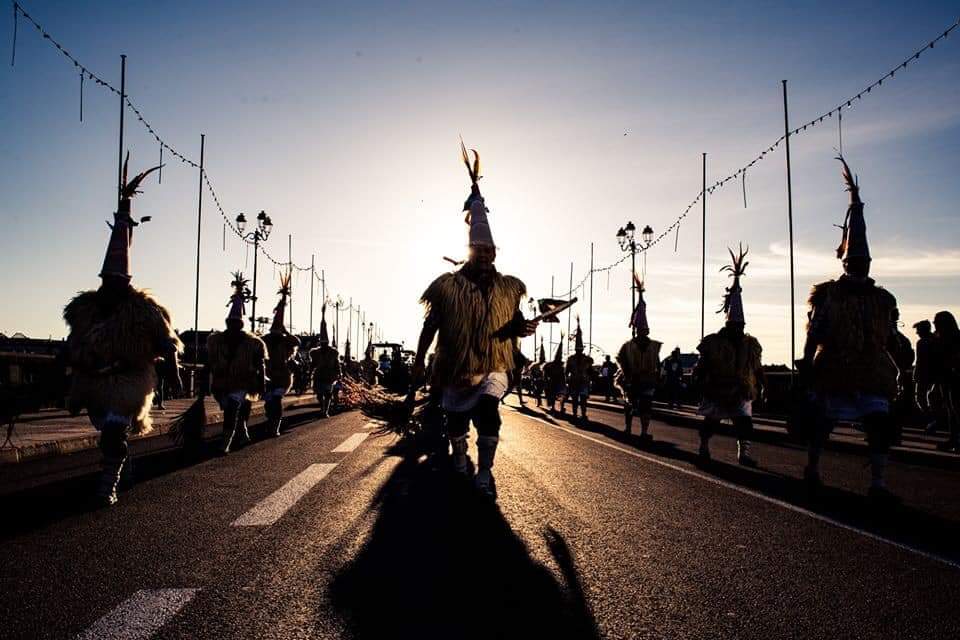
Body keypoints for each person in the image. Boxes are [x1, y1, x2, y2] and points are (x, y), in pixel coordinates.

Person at [408, 143, 537, 499]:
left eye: (490, 251)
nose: (486, 256)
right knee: (456, 423)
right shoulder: (448, 287)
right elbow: (429, 326)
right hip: (455, 368)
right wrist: (420, 362)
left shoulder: (509, 288)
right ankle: (460, 456)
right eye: (480, 251)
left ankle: (485, 472)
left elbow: (513, 323)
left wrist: (522, 328)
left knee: (488, 410)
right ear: (471, 251)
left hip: (492, 365)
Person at [64, 156, 182, 506]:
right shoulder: (85, 308)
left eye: (114, 280)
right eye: (105, 279)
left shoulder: (143, 310)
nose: (108, 284)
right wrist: (66, 365)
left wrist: (173, 372)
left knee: (112, 433)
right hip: (92, 381)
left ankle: (107, 485)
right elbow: (73, 342)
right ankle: (121, 462)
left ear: (125, 281)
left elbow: (167, 343)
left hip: (128, 383)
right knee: (106, 429)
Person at [801, 157, 906, 503]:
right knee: (821, 425)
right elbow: (814, 332)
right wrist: (806, 366)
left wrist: (900, 355)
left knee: (879, 427)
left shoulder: (882, 299)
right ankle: (813, 468)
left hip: (872, 374)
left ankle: (877, 483)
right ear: (846, 263)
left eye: (865, 262)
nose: (860, 266)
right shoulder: (829, 295)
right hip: (834, 370)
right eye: (855, 262)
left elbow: (889, 336)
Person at [694, 244, 764, 468]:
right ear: (729, 323)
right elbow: (702, 364)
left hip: (741, 390)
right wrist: (700, 378)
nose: (739, 327)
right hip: (718, 389)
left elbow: (757, 367)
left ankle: (743, 454)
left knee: (745, 423)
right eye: (736, 324)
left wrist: (761, 385)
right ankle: (704, 447)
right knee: (711, 423)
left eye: (741, 324)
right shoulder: (714, 342)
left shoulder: (751, 344)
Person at [207, 273, 267, 454]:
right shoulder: (216, 341)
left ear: (240, 324)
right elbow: (210, 362)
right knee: (232, 410)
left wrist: (262, 381)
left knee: (232, 409)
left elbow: (260, 363)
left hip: (242, 382)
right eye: (230, 322)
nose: (233, 325)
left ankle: (225, 443)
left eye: (236, 323)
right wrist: (205, 384)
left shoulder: (253, 343)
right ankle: (242, 430)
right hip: (221, 384)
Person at [616, 278, 661, 440]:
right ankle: (628, 427)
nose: (643, 332)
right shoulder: (628, 346)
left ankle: (643, 431)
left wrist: (657, 376)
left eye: (645, 330)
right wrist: (628, 376)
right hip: (632, 380)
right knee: (630, 405)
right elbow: (621, 360)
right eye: (640, 330)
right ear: (637, 331)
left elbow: (658, 363)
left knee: (646, 406)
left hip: (647, 380)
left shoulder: (654, 346)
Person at [261, 271, 300, 437]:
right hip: (267, 375)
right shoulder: (263, 340)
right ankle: (271, 421)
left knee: (276, 401)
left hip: (283, 376)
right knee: (269, 404)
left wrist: (285, 331)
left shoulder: (286, 341)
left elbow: (297, 342)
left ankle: (274, 427)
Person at [933, 311, 960, 452]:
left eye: (936, 321)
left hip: (953, 377)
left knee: (955, 409)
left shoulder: (952, 338)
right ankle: (954, 439)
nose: (934, 324)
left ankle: (955, 439)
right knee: (951, 410)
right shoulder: (943, 338)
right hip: (946, 377)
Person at [310, 304, 341, 417]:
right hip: (318, 376)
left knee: (328, 394)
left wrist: (339, 374)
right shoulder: (315, 353)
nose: (324, 345)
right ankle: (322, 406)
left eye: (325, 343)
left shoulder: (333, 353)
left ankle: (325, 411)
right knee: (319, 395)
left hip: (329, 376)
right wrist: (310, 372)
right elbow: (313, 364)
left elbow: (337, 365)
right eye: (322, 343)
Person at [913, 320, 935, 424]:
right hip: (933, 375)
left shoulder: (922, 343)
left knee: (921, 398)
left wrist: (916, 374)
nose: (917, 333)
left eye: (918, 330)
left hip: (924, 375)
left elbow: (920, 361)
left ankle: (930, 418)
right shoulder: (935, 340)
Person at [543, 336, 567, 414]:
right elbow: (546, 373)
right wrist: (546, 380)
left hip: (560, 382)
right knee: (552, 395)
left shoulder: (562, 365)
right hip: (552, 382)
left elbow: (563, 374)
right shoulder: (549, 365)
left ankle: (561, 407)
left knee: (562, 395)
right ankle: (553, 407)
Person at [529, 340, 546, 407]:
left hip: (543, 381)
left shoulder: (546, 365)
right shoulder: (534, 365)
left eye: (543, 358)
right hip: (537, 381)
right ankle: (539, 402)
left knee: (539, 392)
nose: (542, 359)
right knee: (537, 392)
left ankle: (540, 401)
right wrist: (533, 378)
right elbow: (531, 372)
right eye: (541, 358)